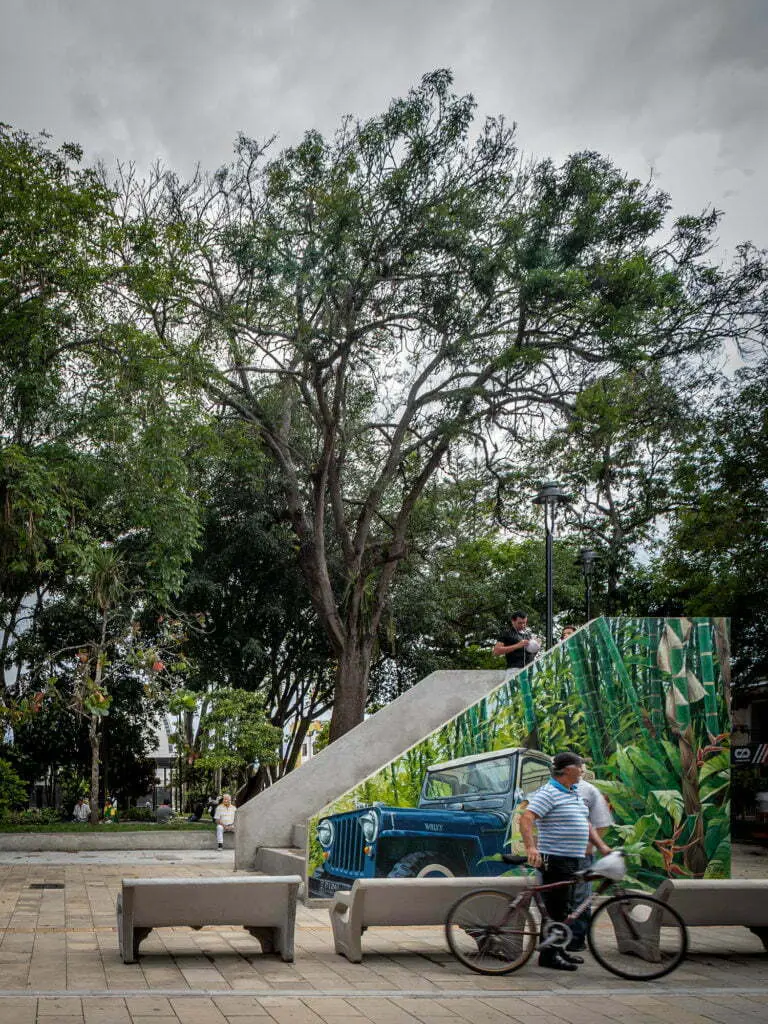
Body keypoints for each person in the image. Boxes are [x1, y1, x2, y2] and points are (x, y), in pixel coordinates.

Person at [519, 751, 611, 972]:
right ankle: (549, 956)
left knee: (566, 908)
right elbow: (527, 817)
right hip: (556, 858)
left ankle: (558, 950)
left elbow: (586, 824)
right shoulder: (549, 792)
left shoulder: (573, 792)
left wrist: (601, 846)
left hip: (574, 859)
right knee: (556, 909)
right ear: (568, 769)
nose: (582, 771)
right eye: (579, 766)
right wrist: (531, 847)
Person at [567, 772, 614, 951]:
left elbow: (601, 823)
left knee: (581, 898)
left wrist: (592, 846)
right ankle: (558, 940)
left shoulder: (590, 791)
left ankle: (576, 940)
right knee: (562, 897)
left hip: (582, 855)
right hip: (558, 854)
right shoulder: (551, 790)